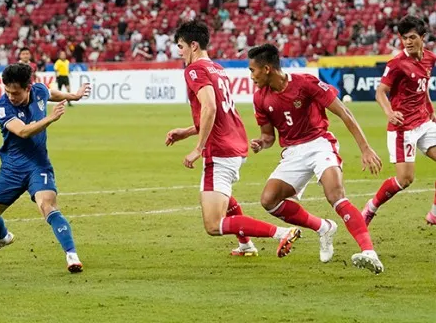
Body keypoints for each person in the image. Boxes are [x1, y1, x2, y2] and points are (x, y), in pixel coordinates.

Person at [165, 20, 301, 258]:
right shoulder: (217, 69)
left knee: (213, 225)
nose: (179, 52)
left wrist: (198, 148)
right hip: (235, 145)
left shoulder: (195, 70)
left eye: (181, 46)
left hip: (219, 151)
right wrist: (186, 132)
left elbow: (210, 108)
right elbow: (220, 114)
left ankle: (282, 233)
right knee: (223, 194)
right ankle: (246, 245)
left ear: (193, 45)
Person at [248, 43, 385, 274]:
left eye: (253, 70)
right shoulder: (260, 98)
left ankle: (369, 252)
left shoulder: (305, 83)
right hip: (292, 152)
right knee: (269, 200)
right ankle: (323, 228)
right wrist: (261, 143)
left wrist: (365, 148)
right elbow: (268, 136)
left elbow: (344, 113)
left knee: (335, 195)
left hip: (319, 143)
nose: (251, 76)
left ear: (268, 69)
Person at [0, 63, 90, 273]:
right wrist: (50, 118)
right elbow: (22, 132)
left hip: (38, 165)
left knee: (47, 205)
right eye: (7, 91)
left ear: (28, 88)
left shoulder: (38, 90)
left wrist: (73, 96)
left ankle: (71, 255)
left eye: (15, 92)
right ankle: (4, 238)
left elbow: (49, 93)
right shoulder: (2, 107)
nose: (11, 96)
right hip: (11, 169)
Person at [362, 15, 436, 225]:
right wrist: (389, 112)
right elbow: (380, 92)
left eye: (412, 37)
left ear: (423, 37)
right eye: (405, 38)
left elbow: (424, 86)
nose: (408, 42)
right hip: (403, 128)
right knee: (405, 179)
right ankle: (371, 207)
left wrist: (429, 108)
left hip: (423, 122)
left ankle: (434, 214)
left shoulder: (429, 58)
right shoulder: (396, 63)